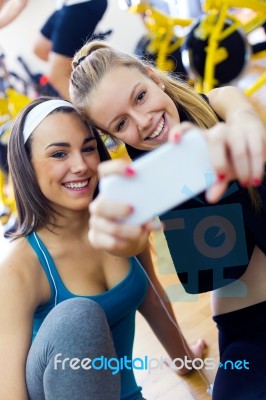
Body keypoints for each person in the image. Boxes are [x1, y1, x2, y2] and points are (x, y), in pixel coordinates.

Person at [69, 40, 266, 399]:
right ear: (112, 137)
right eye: (121, 123)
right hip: (251, 326)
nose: (144, 122)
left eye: (140, 97)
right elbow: (144, 270)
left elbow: (238, 109)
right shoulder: (141, 188)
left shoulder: (221, 104)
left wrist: (247, 126)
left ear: (152, 78)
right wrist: (126, 243)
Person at [0, 97, 206, 400]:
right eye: (59, 154)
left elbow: (151, 295)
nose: (81, 166)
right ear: (27, 166)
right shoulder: (19, 268)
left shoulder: (120, 218)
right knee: (77, 316)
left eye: (87, 148)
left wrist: (184, 359)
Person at [0, 0, 108, 99]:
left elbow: (19, 3)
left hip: (82, 3)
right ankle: (91, 85)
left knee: (57, 76)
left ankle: (91, 117)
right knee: (41, 48)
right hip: (65, 4)